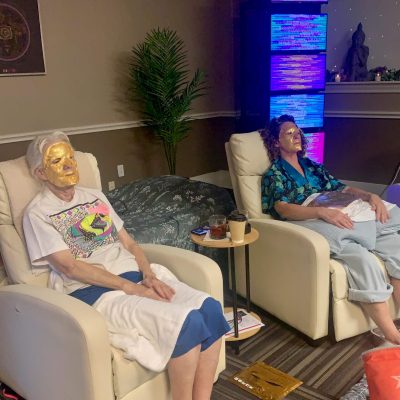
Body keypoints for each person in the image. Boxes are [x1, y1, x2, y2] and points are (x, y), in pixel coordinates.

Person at [22, 131, 229, 400]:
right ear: (40, 173)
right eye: (57, 160)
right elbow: (70, 267)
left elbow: (130, 244)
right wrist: (129, 287)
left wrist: (148, 273)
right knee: (186, 323)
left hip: (134, 278)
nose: (69, 164)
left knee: (211, 309)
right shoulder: (38, 212)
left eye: (70, 157)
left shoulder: (95, 197)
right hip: (95, 292)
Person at [260, 114, 400, 345]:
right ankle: (390, 333)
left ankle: (371, 236)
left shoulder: (313, 167)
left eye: (297, 132)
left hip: (337, 210)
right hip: (308, 217)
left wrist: (370, 196)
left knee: (396, 247)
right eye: (289, 133)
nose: (297, 136)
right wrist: (321, 212)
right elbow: (283, 209)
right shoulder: (274, 174)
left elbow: (341, 188)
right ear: (276, 142)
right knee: (361, 258)